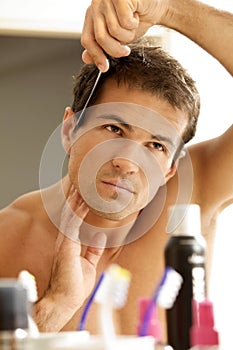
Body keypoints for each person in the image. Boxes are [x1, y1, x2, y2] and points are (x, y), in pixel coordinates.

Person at [0, 0, 232, 343]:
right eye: (114, 129)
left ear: (170, 168)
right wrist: (56, 306)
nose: (127, 161)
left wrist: (167, 9)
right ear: (69, 130)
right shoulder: (9, 236)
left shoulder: (195, 193)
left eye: (156, 145)